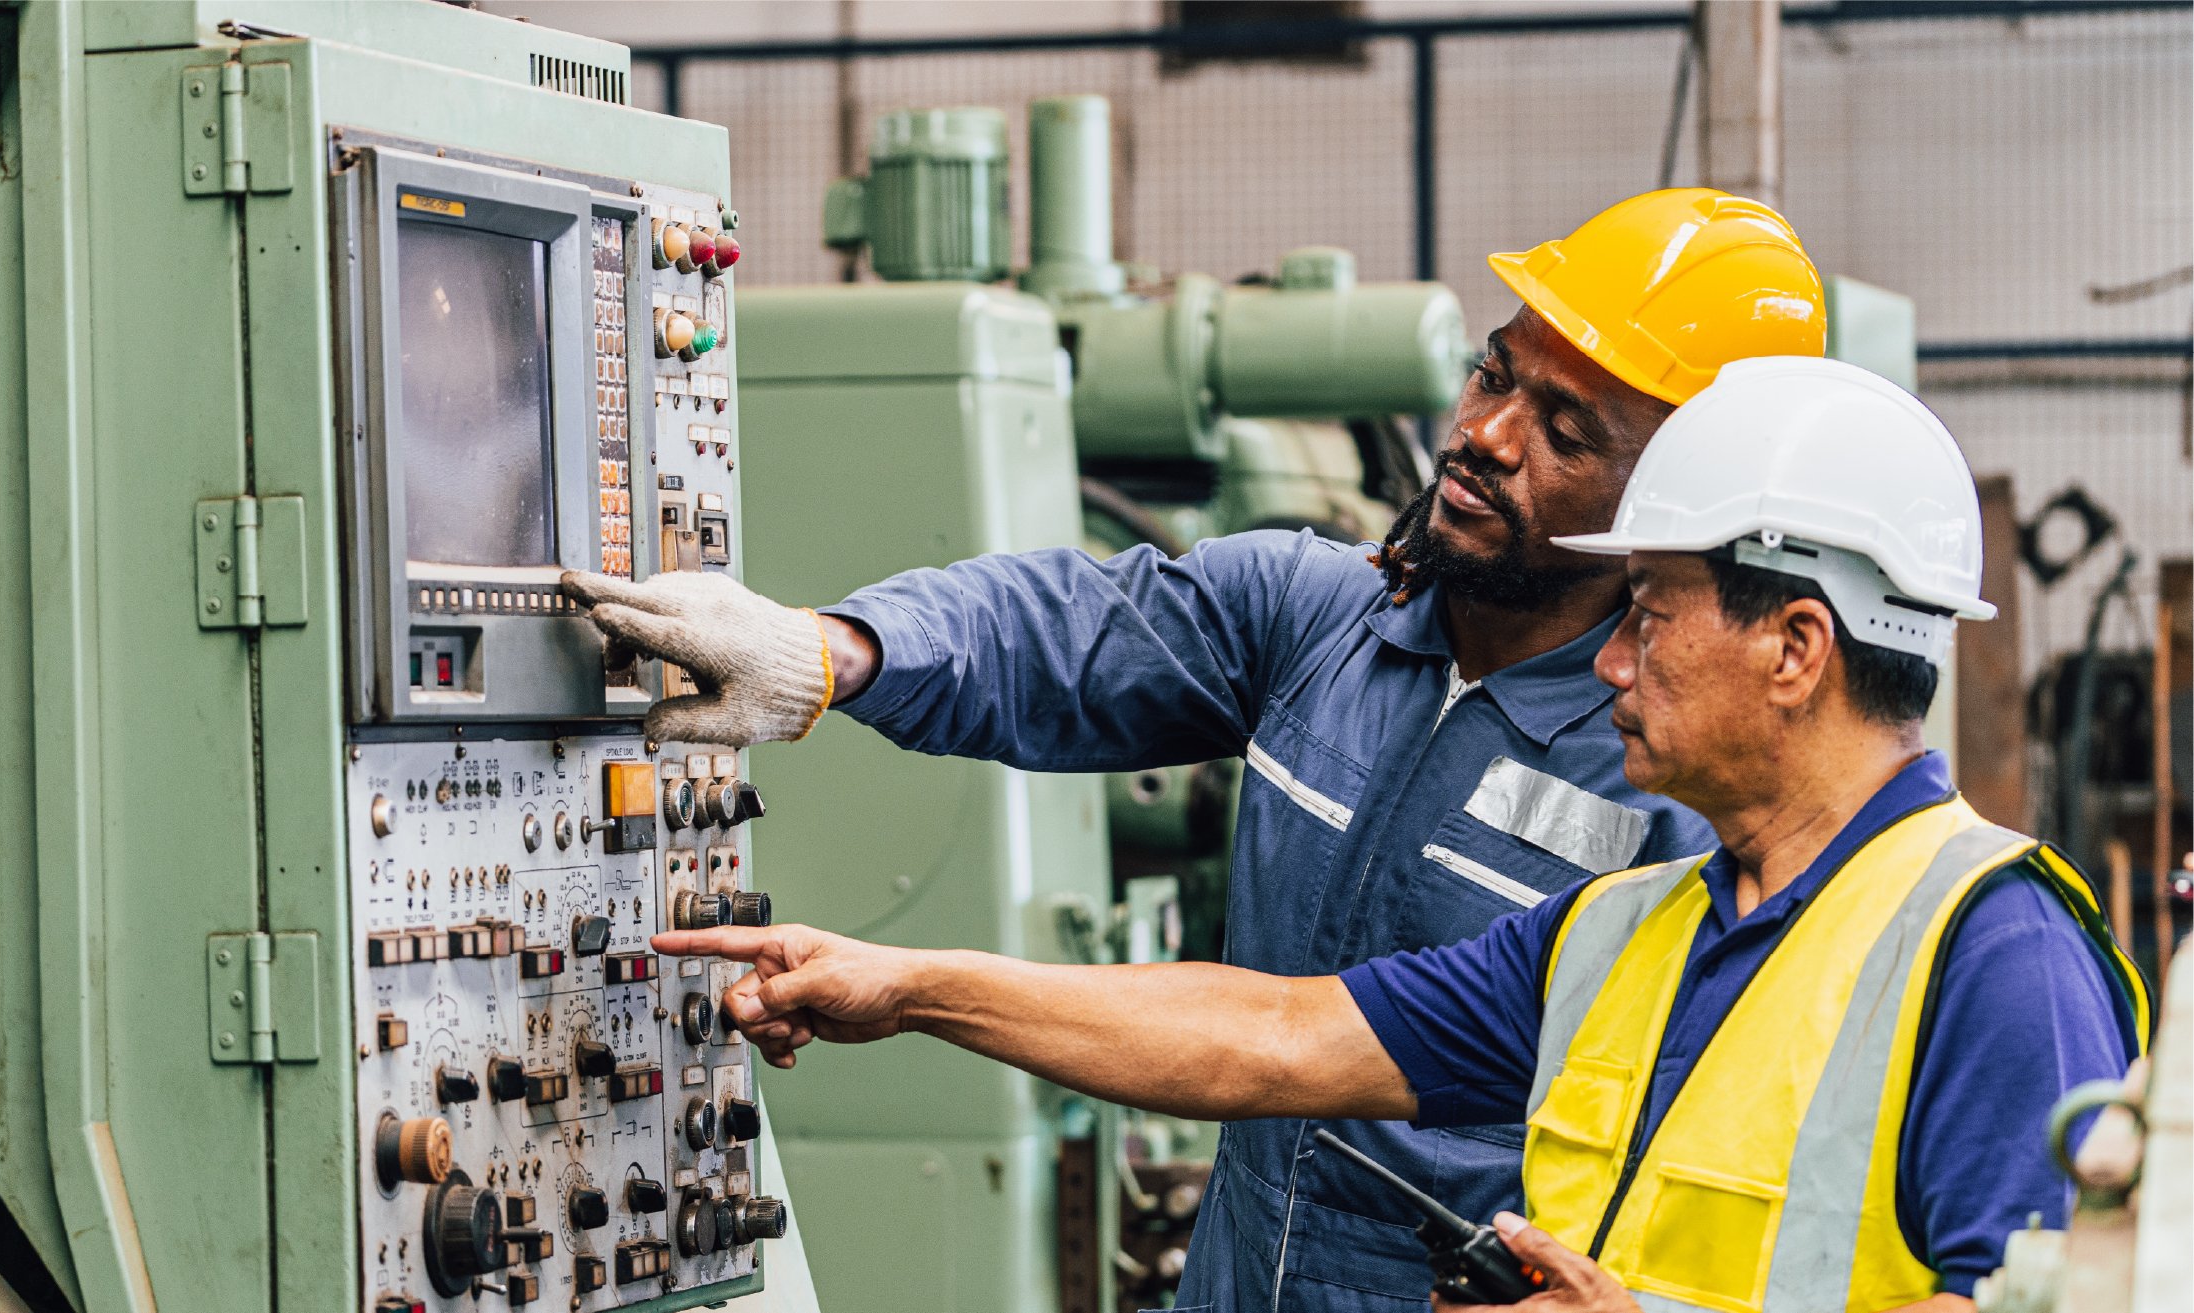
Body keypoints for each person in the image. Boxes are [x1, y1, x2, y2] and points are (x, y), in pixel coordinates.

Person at [658, 359, 2150, 1313]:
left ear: (1795, 645)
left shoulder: (1993, 956)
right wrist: (902, 986)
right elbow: (1271, 1041)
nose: (1612, 665)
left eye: (1649, 619)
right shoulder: (1639, 934)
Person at [565, 188, 1827, 1310]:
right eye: (1494, 376)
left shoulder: (1672, 779)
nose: (1487, 436)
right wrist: (827, 653)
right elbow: (1063, 631)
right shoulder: (1326, 619)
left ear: (1678, 503)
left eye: (1565, 430)